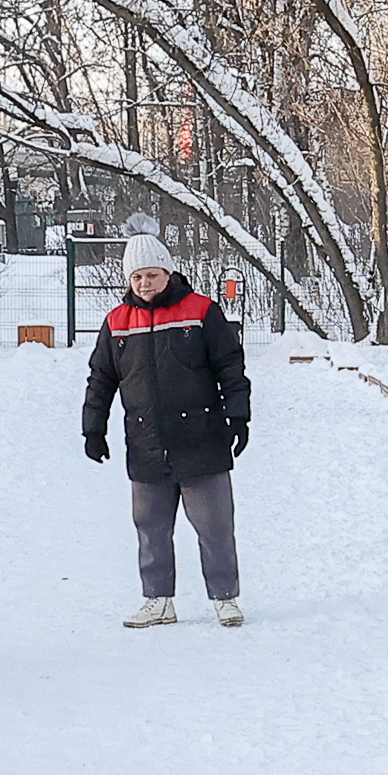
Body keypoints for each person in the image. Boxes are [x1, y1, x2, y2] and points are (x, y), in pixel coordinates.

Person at [82, 233, 250, 627]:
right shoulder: (117, 323)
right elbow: (101, 379)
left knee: (215, 526)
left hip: (201, 438)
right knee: (150, 528)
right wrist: (94, 428)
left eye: (152, 275)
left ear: (168, 272)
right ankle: (158, 600)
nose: (145, 284)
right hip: (146, 442)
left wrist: (238, 417)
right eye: (137, 277)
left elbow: (230, 367)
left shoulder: (202, 311)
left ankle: (225, 597)